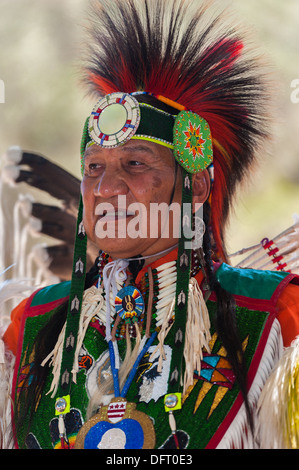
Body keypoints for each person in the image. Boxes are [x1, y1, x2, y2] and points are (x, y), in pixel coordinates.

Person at [1, 0, 299, 450]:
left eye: (135, 163)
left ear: (196, 187)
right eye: (94, 167)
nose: (105, 188)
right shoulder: (31, 329)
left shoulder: (273, 319)